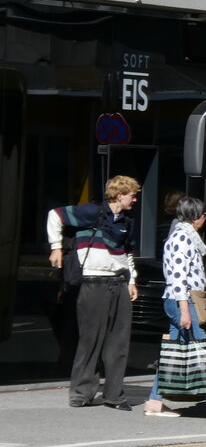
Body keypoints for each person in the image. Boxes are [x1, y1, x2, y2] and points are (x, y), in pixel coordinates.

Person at [46, 175, 141, 411]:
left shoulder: (127, 221)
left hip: (119, 282)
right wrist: (56, 247)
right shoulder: (92, 212)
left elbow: (128, 252)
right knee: (90, 339)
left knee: (118, 343)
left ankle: (114, 395)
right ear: (120, 195)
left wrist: (132, 281)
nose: (135, 200)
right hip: (93, 282)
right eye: (132, 195)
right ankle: (81, 393)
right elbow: (54, 215)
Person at [144, 197, 206, 418]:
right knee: (200, 349)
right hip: (184, 301)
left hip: (182, 301)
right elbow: (178, 278)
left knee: (175, 352)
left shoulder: (187, 237)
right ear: (195, 216)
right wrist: (185, 311)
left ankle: (155, 402)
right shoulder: (182, 238)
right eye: (204, 214)